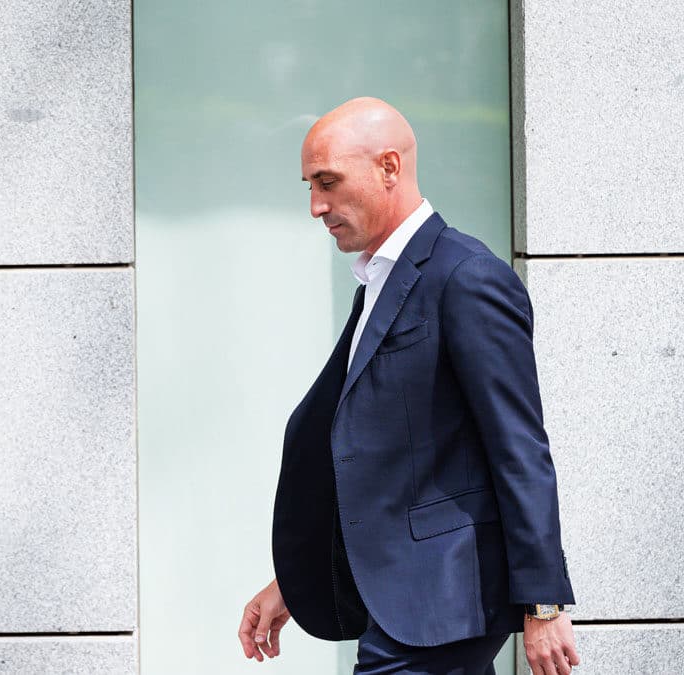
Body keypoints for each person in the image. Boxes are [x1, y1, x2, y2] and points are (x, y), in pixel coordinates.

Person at [237, 98, 580, 674]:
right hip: (406, 598)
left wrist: (544, 603)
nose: (316, 205)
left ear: (389, 168)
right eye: (310, 186)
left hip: (442, 601)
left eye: (328, 182)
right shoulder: (379, 280)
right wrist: (295, 582)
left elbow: (519, 448)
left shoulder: (466, 277)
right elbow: (383, 461)